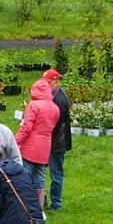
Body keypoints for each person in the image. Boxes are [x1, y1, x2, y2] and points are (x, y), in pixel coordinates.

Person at [14, 78, 59, 208]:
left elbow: (27, 128)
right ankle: (38, 209)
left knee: (24, 176)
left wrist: (15, 141)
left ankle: (23, 207)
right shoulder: (55, 108)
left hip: (30, 146)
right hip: (45, 146)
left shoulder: (34, 105)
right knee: (39, 178)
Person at [43, 68, 71, 211]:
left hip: (56, 143)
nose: (45, 86)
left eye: (48, 83)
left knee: (56, 174)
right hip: (54, 141)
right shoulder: (55, 95)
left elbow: (54, 123)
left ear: (56, 82)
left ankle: (56, 204)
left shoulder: (59, 100)